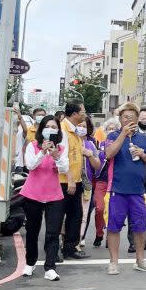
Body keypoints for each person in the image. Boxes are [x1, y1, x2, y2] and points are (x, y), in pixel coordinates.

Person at [104, 103, 146, 274]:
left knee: (140, 227)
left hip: (137, 191)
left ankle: (140, 260)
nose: (129, 120)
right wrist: (123, 135)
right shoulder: (113, 135)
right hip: (117, 190)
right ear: (120, 119)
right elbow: (109, 153)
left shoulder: (143, 138)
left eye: (133, 118)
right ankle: (113, 262)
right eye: (126, 117)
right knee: (114, 227)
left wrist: (142, 154)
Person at [21, 115, 69, 281]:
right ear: (41, 129)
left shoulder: (61, 149)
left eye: (54, 127)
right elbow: (30, 165)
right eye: (47, 126)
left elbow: (64, 168)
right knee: (32, 231)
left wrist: (55, 156)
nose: (51, 129)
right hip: (33, 194)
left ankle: (50, 267)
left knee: (52, 232)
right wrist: (43, 151)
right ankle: (30, 262)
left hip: (54, 195)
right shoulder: (32, 146)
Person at [59, 101, 87, 260]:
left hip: (76, 181)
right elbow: (63, 159)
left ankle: (70, 247)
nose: (84, 114)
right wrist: (70, 181)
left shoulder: (75, 131)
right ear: (74, 114)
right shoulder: (63, 130)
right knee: (58, 216)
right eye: (82, 111)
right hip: (63, 182)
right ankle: (55, 249)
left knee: (75, 215)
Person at [128, 108, 146, 253]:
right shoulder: (132, 134)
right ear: (138, 119)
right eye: (142, 118)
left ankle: (144, 241)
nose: (145, 121)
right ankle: (132, 242)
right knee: (133, 212)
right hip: (134, 179)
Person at [89, 117, 118, 246]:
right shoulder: (99, 145)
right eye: (109, 129)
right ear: (105, 131)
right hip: (101, 181)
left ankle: (109, 236)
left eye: (114, 129)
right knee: (99, 208)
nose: (111, 131)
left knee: (112, 210)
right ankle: (99, 233)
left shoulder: (121, 146)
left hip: (116, 182)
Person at [78, 116, 103, 249]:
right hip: (68, 184)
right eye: (79, 125)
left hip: (86, 185)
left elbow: (97, 165)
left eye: (84, 126)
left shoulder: (90, 144)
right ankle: (65, 240)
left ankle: (78, 240)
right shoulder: (67, 141)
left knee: (83, 214)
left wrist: (89, 154)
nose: (81, 128)